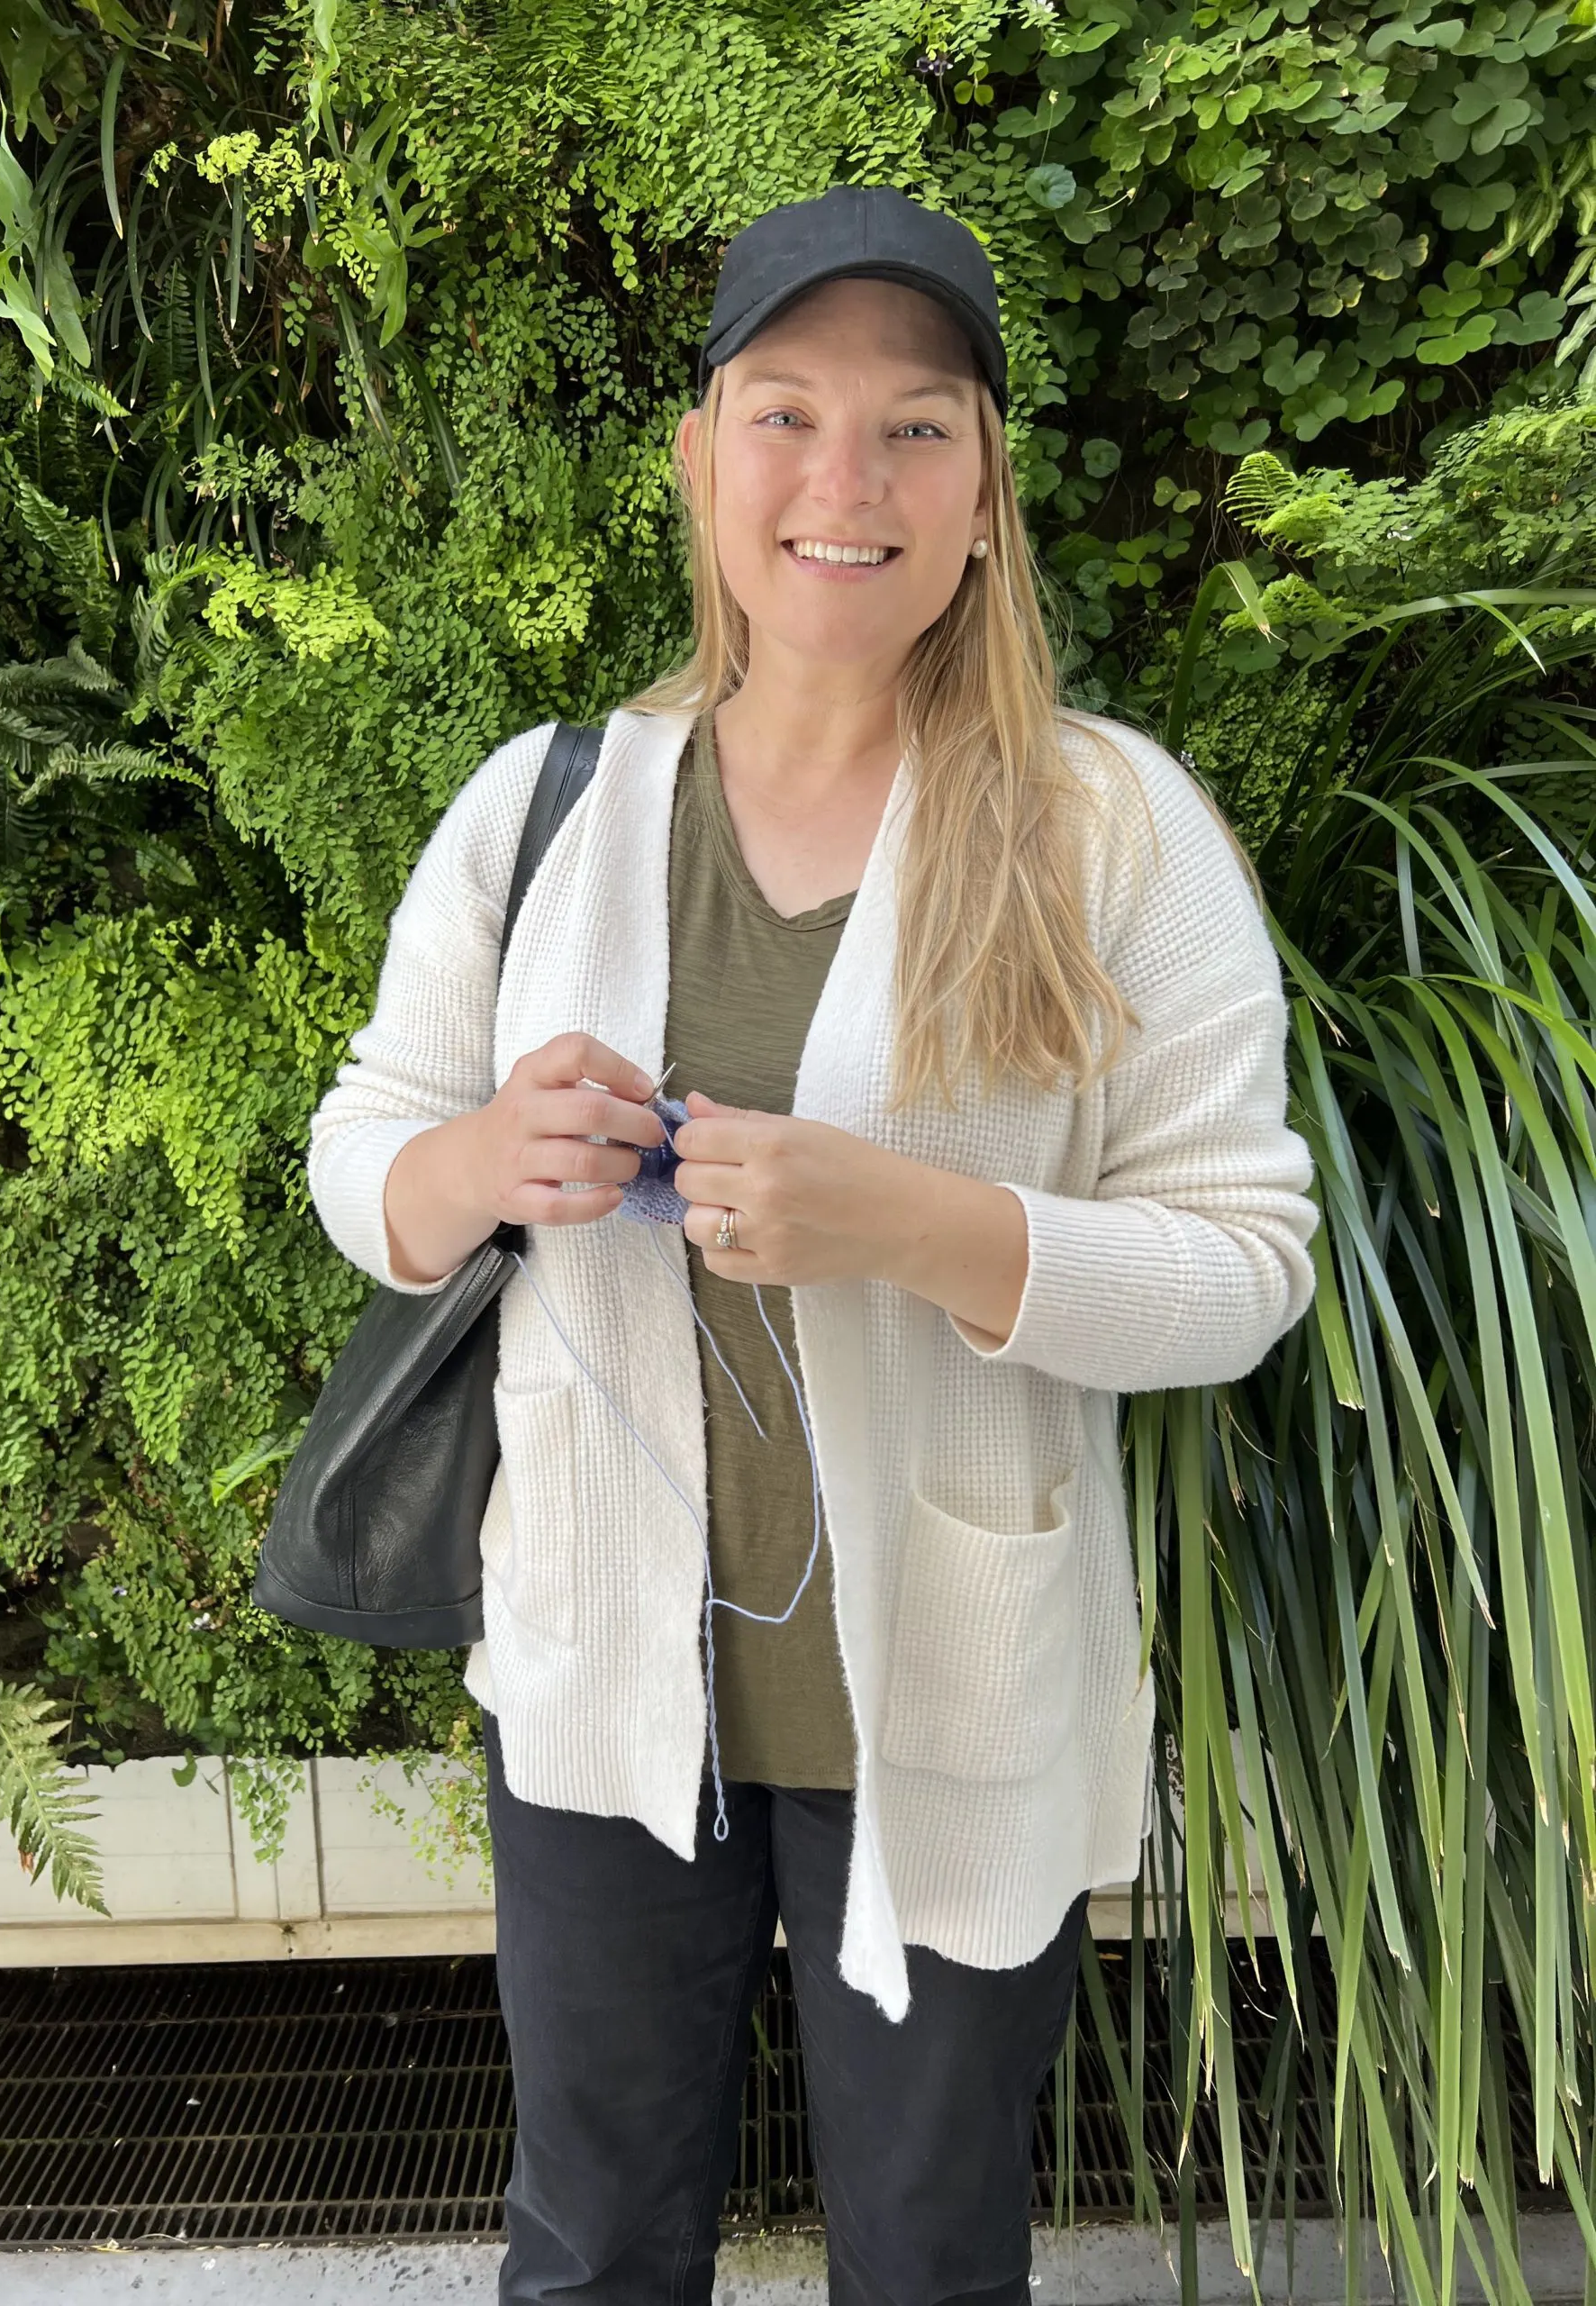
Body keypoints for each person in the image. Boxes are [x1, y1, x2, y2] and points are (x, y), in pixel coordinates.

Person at [308, 185, 1319, 2305]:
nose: (840, 483)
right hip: (601, 1692)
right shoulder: (544, 808)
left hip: (948, 1695)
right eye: (784, 414)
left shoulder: (1108, 828)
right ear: (698, 457)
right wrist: (487, 1151)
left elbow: (1244, 1267)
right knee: (591, 2249)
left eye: (913, 429)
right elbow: (371, 1168)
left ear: (984, 492)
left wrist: (918, 1222)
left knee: (934, 2260)